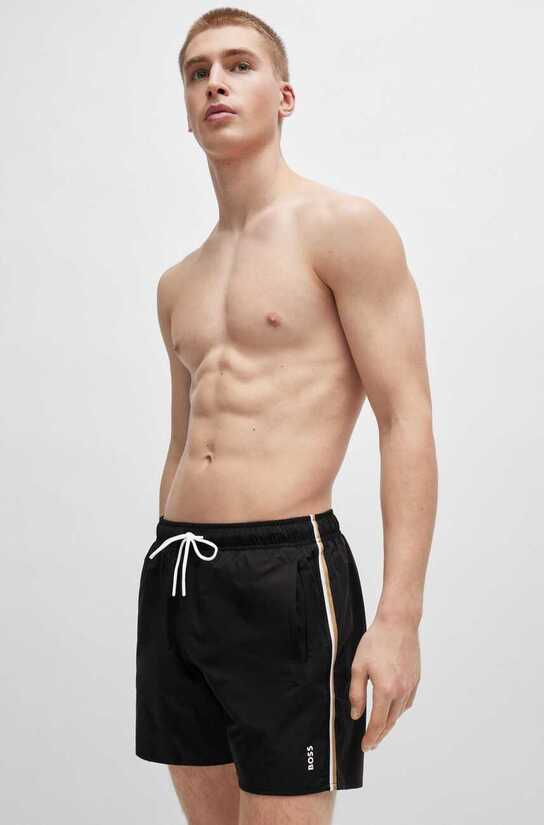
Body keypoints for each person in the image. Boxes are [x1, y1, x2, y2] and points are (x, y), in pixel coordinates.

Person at [135, 7, 438, 825]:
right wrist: (166, 581)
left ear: (285, 96)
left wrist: (399, 617)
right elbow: (182, 443)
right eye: (197, 72)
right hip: (178, 572)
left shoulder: (343, 229)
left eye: (239, 65)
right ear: (186, 105)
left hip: (286, 575)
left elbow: (405, 418)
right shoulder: (177, 283)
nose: (216, 83)